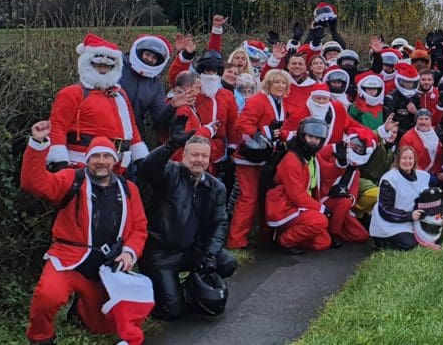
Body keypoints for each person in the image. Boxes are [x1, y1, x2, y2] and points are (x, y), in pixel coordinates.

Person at [21, 121, 149, 345]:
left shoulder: (129, 188)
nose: (101, 162)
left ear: (114, 160)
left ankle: (80, 309)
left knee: (103, 326)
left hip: (105, 266)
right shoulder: (72, 178)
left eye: (107, 157)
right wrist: (38, 143)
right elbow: (34, 183)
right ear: (87, 160)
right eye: (95, 157)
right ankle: (40, 336)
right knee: (47, 296)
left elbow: (139, 228)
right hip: (68, 259)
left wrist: (129, 253)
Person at [136, 127, 236, 321]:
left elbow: (220, 223)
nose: (199, 160)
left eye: (204, 156)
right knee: (171, 311)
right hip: (161, 254)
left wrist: (210, 256)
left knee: (227, 263)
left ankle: (189, 287)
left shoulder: (217, 187)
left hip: (192, 249)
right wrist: (169, 145)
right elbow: (147, 168)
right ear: (184, 155)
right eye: (195, 154)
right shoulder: (170, 173)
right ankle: (153, 288)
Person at [47, 33, 149, 171]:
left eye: (107, 67)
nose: (103, 69)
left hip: (120, 165)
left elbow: (131, 127)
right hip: (84, 164)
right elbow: (57, 127)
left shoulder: (120, 94)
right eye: (98, 65)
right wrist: (59, 161)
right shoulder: (72, 93)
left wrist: (141, 157)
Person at [228, 69, 289, 250]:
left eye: (283, 82)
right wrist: (267, 132)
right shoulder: (257, 100)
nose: (280, 85)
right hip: (249, 158)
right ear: (268, 84)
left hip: (267, 157)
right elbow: (242, 125)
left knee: (265, 197)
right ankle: (236, 241)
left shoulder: (280, 102)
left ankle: (264, 237)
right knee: (248, 198)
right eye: (276, 82)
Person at [265, 117, 334, 253]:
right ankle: (283, 241)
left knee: (323, 243)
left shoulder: (311, 155)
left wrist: (342, 162)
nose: (314, 141)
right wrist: (321, 208)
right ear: (302, 135)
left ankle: (293, 237)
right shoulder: (292, 159)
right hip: (284, 208)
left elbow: (328, 173)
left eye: (317, 138)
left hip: (299, 208)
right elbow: (296, 195)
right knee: (320, 221)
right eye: (310, 136)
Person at [316, 129, 375, 246]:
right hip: (322, 200)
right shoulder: (335, 157)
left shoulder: (356, 172)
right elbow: (317, 154)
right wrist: (335, 147)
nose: (357, 150)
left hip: (341, 206)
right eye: (355, 147)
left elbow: (353, 195)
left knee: (361, 235)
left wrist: (347, 197)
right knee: (344, 202)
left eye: (360, 150)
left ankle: (333, 226)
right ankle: (333, 234)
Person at [370, 146, 433, 250]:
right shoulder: (389, 179)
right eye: (404, 158)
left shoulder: (423, 176)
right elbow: (385, 209)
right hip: (390, 222)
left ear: (414, 160)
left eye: (410, 158)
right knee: (410, 244)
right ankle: (380, 242)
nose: (407, 161)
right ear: (398, 159)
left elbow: (433, 195)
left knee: (433, 239)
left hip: (413, 220)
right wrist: (409, 215)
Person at [118, 33, 178, 137]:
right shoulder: (117, 66)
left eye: (154, 57)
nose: (149, 59)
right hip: (104, 128)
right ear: (139, 52)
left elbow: (159, 117)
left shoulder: (155, 85)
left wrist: (172, 106)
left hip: (132, 135)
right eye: (147, 54)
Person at [398, 109, 443, 177]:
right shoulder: (407, 138)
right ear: (416, 121)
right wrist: (425, 176)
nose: (424, 122)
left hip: (438, 176)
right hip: (417, 176)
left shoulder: (438, 134)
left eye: (426, 119)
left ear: (430, 121)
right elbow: (405, 160)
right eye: (421, 119)